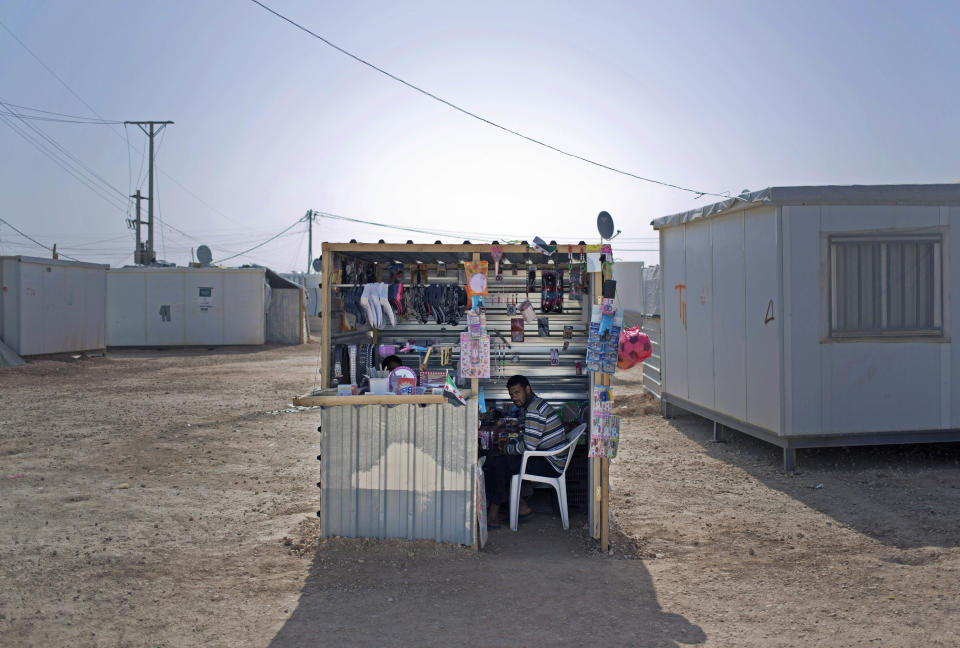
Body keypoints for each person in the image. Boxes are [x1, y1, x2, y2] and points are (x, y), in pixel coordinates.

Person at [483, 375, 566, 529]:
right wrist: (508, 446)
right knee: (503, 460)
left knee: (498, 464)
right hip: (546, 457)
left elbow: (528, 446)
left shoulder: (534, 410)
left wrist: (506, 449)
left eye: (517, 392)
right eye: (511, 394)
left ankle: (493, 516)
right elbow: (526, 438)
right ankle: (521, 507)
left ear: (528, 389)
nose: (514, 398)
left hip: (550, 463)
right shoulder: (532, 405)